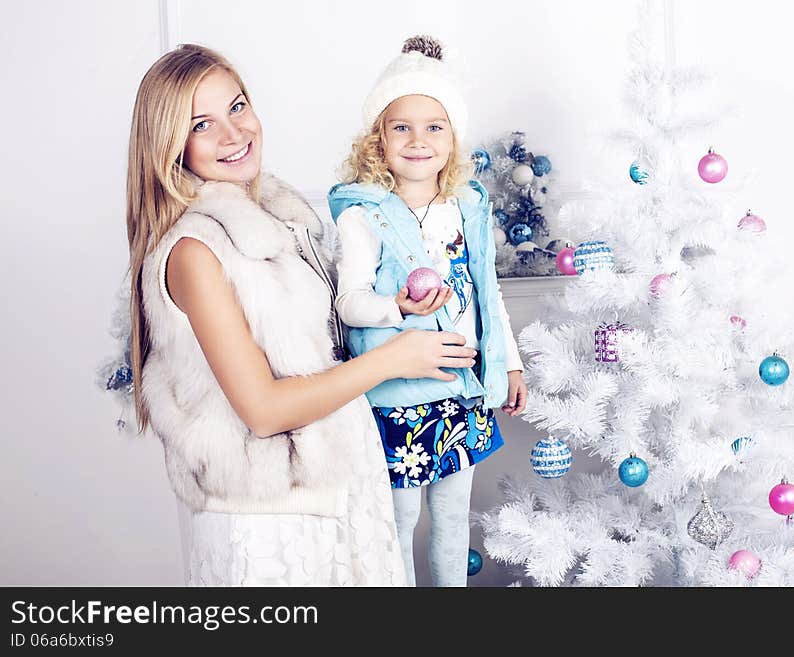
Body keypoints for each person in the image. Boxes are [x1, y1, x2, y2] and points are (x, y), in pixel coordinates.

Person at [125, 43, 478, 586]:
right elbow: (263, 410)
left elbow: (332, 340)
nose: (233, 134)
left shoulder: (282, 219)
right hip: (269, 526)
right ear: (170, 144)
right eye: (202, 124)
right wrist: (394, 360)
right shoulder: (195, 251)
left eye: (237, 107)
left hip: (337, 497)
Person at [328, 36, 528, 587]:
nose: (419, 140)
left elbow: (487, 292)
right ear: (378, 140)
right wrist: (395, 306)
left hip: (459, 390)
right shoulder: (363, 217)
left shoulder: (465, 208)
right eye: (401, 127)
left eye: (434, 126)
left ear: (453, 137)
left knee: (453, 518)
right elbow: (349, 303)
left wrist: (508, 363)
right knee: (398, 519)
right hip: (400, 395)